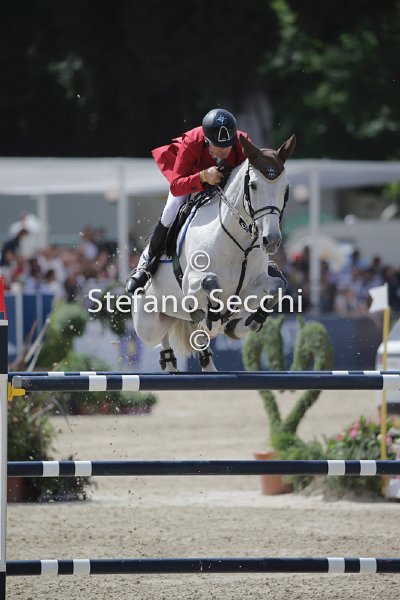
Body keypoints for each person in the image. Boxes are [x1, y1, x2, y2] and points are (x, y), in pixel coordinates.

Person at [125, 108, 251, 294]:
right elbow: (176, 186)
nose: (224, 149)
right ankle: (148, 262)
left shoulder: (242, 142)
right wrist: (203, 177)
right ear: (206, 139)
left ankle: (259, 258)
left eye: (228, 145)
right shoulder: (192, 141)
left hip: (227, 186)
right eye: (218, 145)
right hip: (192, 180)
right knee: (172, 207)